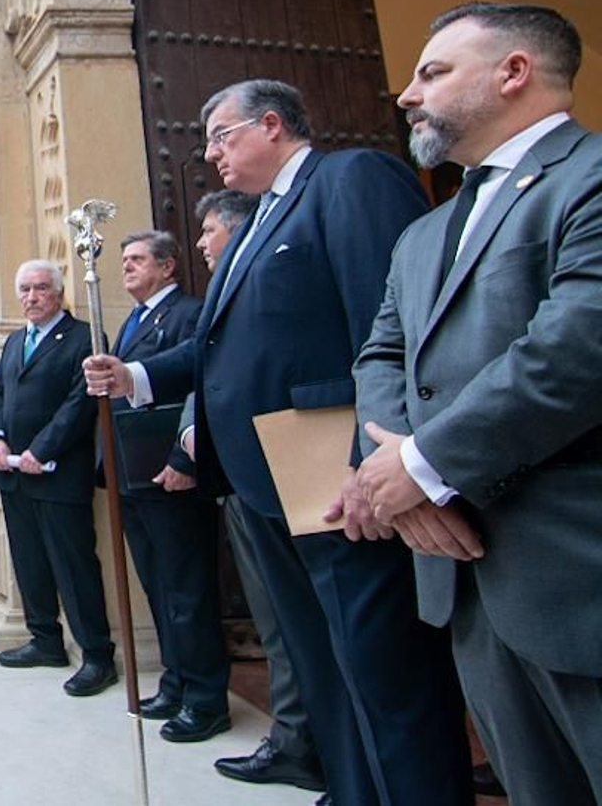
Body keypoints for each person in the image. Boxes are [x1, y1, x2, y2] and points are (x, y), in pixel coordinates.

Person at [84, 79, 471, 806]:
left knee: (382, 666)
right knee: (324, 663)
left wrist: (380, 453)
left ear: (270, 124)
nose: (209, 153)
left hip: (336, 464)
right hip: (265, 476)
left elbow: (389, 328)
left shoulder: (348, 179)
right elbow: (218, 346)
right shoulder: (255, 222)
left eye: (221, 135)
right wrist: (133, 372)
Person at [353, 3, 602, 803]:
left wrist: (422, 467)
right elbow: (381, 356)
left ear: (515, 71)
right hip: (464, 575)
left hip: (575, 566)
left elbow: (575, 351)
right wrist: (402, 474)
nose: (406, 95)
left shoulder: (589, 178)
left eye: (433, 72)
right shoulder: (423, 235)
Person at [194, 191, 326, 793]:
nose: (202, 242)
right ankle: (299, 737)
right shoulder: (223, 289)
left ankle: (319, 743)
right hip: (243, 474)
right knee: (279, 625)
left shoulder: (269, 272)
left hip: (294, 463)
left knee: (304, 620)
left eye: (210, 231)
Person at [107, 232, 229, 742]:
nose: (127, 268)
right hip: (134, 477)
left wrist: (185, 456)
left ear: (168, 267)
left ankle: (206, 698)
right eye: (124, 260)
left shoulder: (188, 313)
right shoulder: (132, 319)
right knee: (158, 587)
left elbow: (200, 383)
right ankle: (176, 681)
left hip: (172, 474)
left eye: (137, 260)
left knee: (187, 589)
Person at [0, 259, 110, 692]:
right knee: (29, 563)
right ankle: (45, 640)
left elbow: (80, 403)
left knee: (74, 567)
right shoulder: (16, 341)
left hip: (58, 474)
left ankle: (96, 655)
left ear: (58, 292)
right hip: (15, 474)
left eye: (40, 288)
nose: (31, 297)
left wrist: (42, 448)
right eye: (25, 289)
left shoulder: (82, 339)